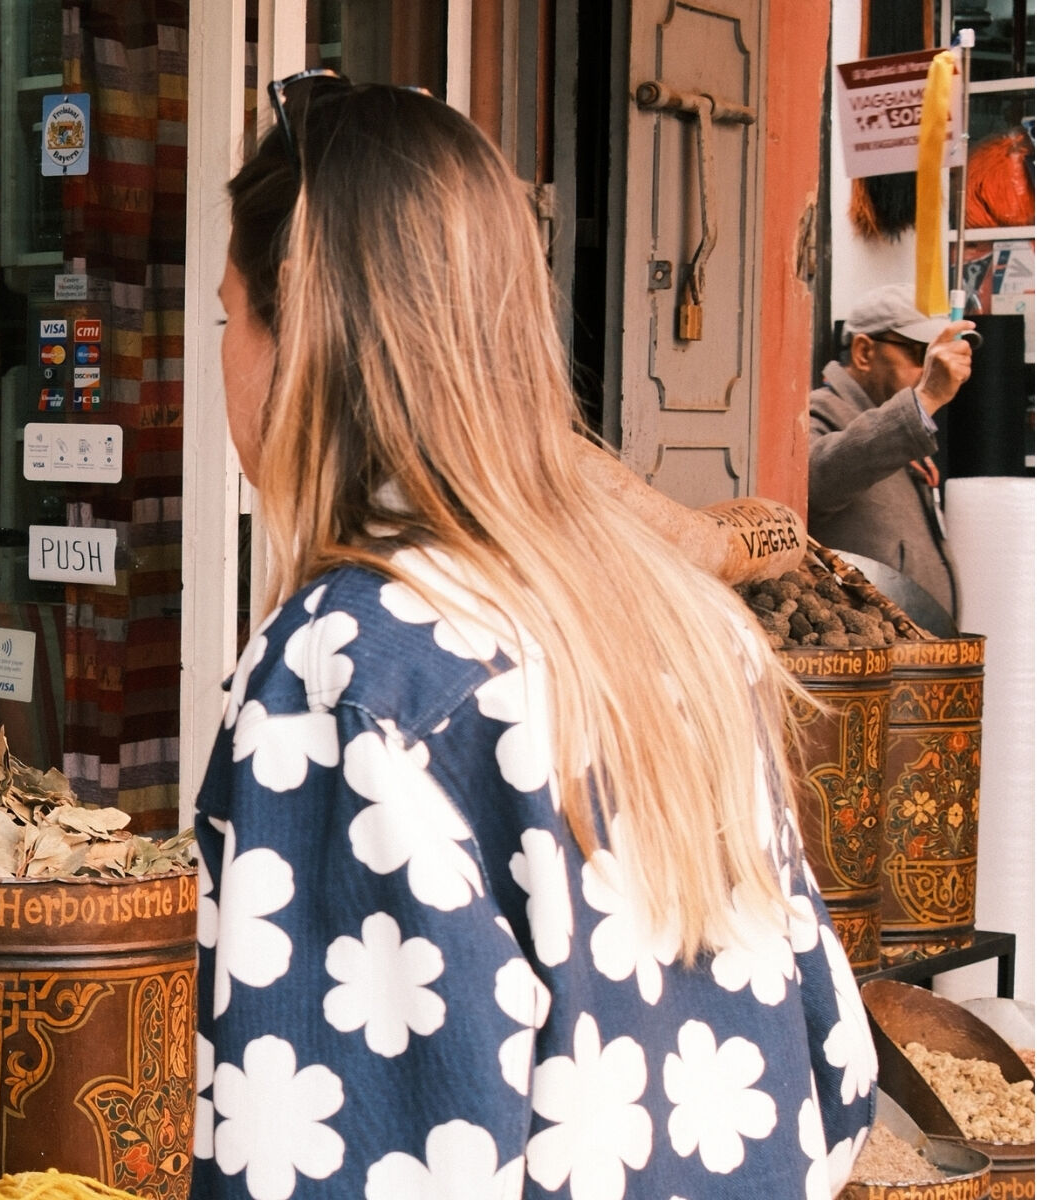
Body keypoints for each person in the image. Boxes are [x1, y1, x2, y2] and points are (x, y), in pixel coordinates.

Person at [194, 73, 876, 1200]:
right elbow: (833, 1081)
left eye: (230, 315)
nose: (223, 353)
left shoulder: (349, 670)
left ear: (302, 336)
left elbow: (335, 1158)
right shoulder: (680, 630)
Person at [808, 285, 975, 613]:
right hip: (869, 653)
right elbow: (816, 480)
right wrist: (924, 399)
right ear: (864, 353)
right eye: (921, 354)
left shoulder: (892, 417)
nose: (933, 368)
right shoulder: (819, 411)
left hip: (917, 653)